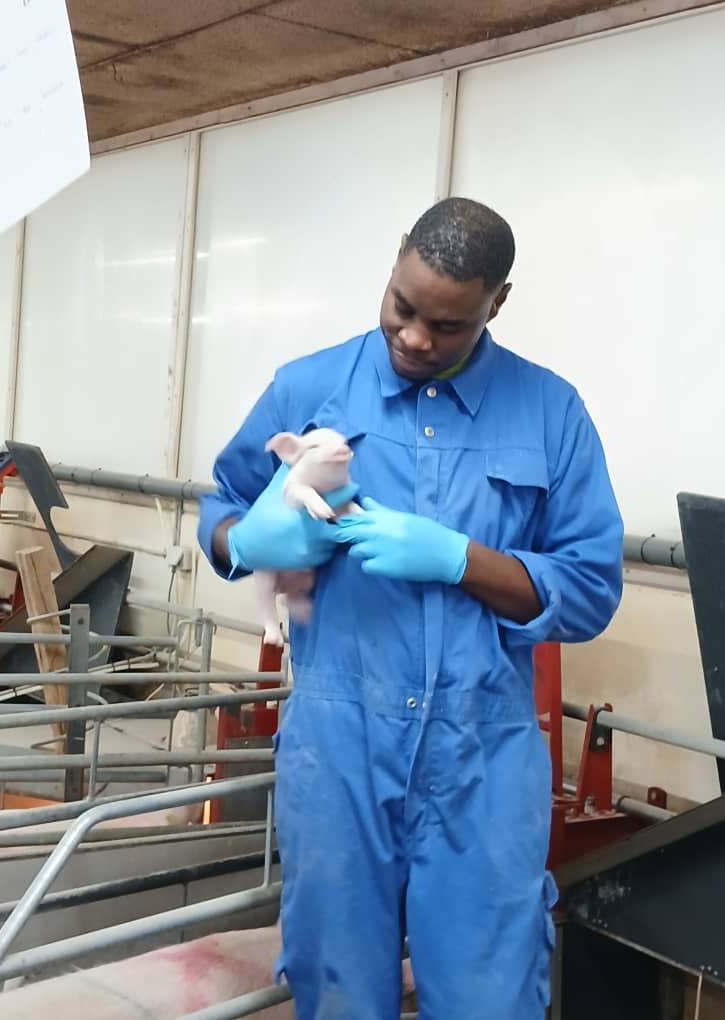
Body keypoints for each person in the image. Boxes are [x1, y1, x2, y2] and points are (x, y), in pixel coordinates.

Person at [197, 197, 623, 1020]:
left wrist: (462, 560)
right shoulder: (307, 387)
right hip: (337, 746)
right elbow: (221, 506)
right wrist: (246, 539)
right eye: (402, 307)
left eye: (448, 325)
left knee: (489, 993)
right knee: (336, 984)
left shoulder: (549, 413)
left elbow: (589, 587)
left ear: (497, 303)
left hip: (481, 761)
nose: (416, 337)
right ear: (394, 261)